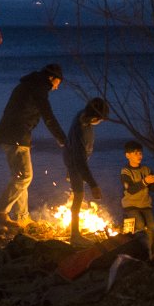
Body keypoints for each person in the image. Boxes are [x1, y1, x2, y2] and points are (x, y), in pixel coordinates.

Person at [0, 63, 66, 228]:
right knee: (25, 177)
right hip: (16, 135)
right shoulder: (39, 88)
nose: (58, 87)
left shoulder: (28, 85)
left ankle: (22, 216)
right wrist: (62, 139)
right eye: (59, 82)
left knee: (20, 177)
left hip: (9, 133)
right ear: (52, 78)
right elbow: (48, 116)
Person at [64, 98, 109, 245]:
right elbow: (80, 162)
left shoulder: (81, 115)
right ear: (95, 118)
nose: (99, 123)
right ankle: (75, 235)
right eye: (100, 120)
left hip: (74, 159)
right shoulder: (81, 130)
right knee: (78, 197)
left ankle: (75, 234)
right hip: (75, 164)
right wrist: (93, 185)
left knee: (78, 196)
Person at [120, 141, 154, 236]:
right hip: (130, 204)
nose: (139, 156)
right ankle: (130, 231)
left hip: (145, 204)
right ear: (127, 155)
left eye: (140, 153)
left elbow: (152, 189)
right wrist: (145, 181)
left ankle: (149, 244)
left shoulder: (146, 169)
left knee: (152, 226)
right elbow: (130, 190)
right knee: (140, 225)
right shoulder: (125, 171)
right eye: (136, 153)